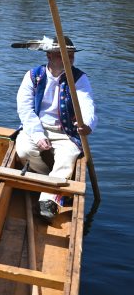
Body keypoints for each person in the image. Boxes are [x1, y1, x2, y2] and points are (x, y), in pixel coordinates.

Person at [14, 36, 96, 223]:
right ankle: (50, 182)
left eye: (72, 56)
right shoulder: (33, 76)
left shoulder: (79, 78)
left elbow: (87, 103)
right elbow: (25, 109)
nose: (70, 60)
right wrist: (37, 133)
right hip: (36, 127)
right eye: (64, 56)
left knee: (67, 158)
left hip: (66, 131)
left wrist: (86, 124)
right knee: (24, 150)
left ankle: (47, 200)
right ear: (50, 56)